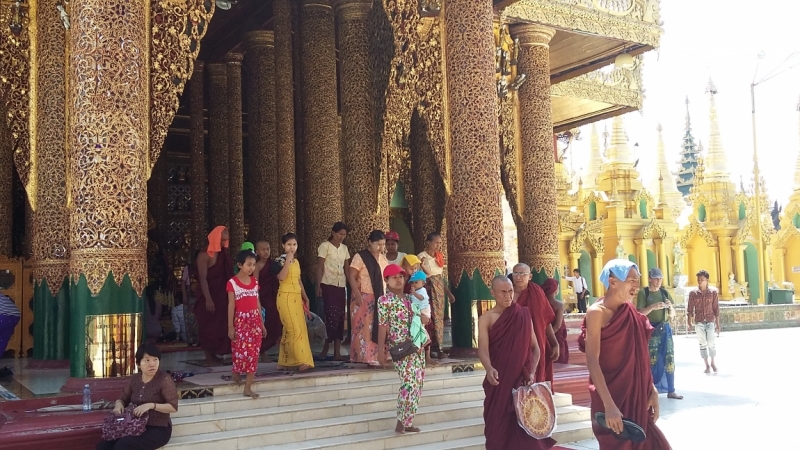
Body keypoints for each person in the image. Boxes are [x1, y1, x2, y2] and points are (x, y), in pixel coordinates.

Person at [579, 259, 670, 449]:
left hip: (636, 395)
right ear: (612, 281)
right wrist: (609, 405)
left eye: (637, 281)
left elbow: (640, 357)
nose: (636, 286)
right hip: (611, 396)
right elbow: (592, 361)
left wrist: (651, 389)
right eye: (631, 281)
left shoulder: (630, 312)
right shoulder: (597, 313)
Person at [479, 276, 554, 450]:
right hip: (499, 382)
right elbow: (482, 348)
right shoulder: (487, 318)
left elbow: (536, 348)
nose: (507, 296)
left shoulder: (523, 314)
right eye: (503, 292)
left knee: (524, 430)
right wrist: (489, 368)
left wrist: (533, 370)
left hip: (521, 380)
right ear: (493, 293)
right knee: (496, 429)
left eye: (510, 291)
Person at [96, 344, 178, 450]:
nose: (152, 364)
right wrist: (118, 405)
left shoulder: (164, 379)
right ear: (138, 364)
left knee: (124, 445)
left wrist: (151, 405)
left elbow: (173, 407)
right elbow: (123, 398)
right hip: (133, 425)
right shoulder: (135, 379)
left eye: (155, 360)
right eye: (147, 360)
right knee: (104, 445)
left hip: (157, 428)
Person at [377, 264, 426, 434]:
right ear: (386, 280)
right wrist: (380, 351)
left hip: (417, 347)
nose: (398, 280)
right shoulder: (384, 300)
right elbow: (382, 326)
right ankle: (401, 420)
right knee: (408, 383)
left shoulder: (409, 298)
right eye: (394, 277)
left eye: (401, 276)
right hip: (400, 348)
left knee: (418, 384)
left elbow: (421, 319)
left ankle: (408, 420)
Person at [636, 268, 682, 399]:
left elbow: (672, 314)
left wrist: (670, 307)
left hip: (664, 328)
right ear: (650, 278)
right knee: (651, 359)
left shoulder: (664, 293)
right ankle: (649, 389)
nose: (658, 281)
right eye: (656, 278)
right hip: (650, 329)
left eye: (660, 279)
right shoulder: (643, 293)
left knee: (669, 357)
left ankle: (671, 389)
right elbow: (639, 314)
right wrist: (652, 307)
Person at [227, 250, 266, 398]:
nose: (251, 268)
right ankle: (235, 371)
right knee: (240, 351)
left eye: (253, 265)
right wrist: (230, 326)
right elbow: (231, 305)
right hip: (241, 322)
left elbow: (257, 303)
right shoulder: (232, 283)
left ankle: (247, 388)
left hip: (254, 321)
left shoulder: (255, 282)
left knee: (253, 354)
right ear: (239, 265)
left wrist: (262, 324)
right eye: (248, 265)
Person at [511, 264, 558, 384]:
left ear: (530, 276)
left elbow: (545, 321)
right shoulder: (507, 293)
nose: (518, 277)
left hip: (534, 342)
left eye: (523, 274)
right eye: (516, 273)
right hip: (512, 343)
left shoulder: (537, 293)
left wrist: (555, 343)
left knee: (533, 377)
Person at [348, 230, 389, 366]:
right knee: (364, 327)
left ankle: (378, 355)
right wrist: (357, 294)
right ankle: (364, 357)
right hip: (363, 297)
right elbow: (351, 276)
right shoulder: (360, 257)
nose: (381, 248)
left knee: (378, 326)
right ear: (369, 243)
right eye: (378, 244)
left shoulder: (383, 259)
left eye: (383, 245)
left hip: (379, 297)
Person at [195, 226, 234, 366]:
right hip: (209, 295)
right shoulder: (204, 255)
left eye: (226, 240)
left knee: (222, 325)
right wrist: (208, 299)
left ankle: (216, 354)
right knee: (208, 327)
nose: (225, 242)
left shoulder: (224, 255)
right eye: (223, 239)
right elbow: (203, 278)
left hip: (223, 296)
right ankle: (209, 357)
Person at [275, 233, 314, 372]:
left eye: (294, 245)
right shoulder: (279, 260)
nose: (292, 247)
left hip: (296, 298)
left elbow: (298, 281)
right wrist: (288, 260)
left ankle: (284, 361)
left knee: (296, 329)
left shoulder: (297, 262)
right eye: (289, 245)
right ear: (283, 246)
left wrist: (306, 297)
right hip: (285, 297)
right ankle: (301, 360)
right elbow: (281, 276)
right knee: (293, 329)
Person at [316, 222, 351, 361]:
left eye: (344, 235)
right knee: (330, 316)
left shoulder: (345, 248)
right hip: (327, 284)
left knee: (340, 317)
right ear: (333, 233)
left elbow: (347, 269)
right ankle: (325, 347)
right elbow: (319, 267)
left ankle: (337, 351)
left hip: (341, 285)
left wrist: (353, 285)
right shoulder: (324, 246)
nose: (341, 237)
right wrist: (318, 285)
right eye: (339, 234)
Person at [417, 232, 456, 359]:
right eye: (436, 242)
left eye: (440, 243)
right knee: (430, 318)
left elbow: (440, 278)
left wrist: (449, 293)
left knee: (439, 318)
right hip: (427, 289)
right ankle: (429, 347)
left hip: (439, 291)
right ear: (428, 242)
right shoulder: (421, 257)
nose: (438, 245)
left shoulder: (440, 257)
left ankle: (439, 347)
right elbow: (421, 276)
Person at [687, 269, 720, 374]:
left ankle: (713, 362)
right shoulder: (693, 294)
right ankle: (706, 365)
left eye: (702, 279)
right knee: (702, 343)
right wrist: (689, 322)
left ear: (707, 280)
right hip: (699, 321)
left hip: (710, 320)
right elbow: (690, 309)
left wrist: (718, 324)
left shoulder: (713, 293)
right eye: (699, 280)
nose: (700, 281)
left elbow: (716, 309)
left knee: (711, 342)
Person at [254, 240, 281, 361]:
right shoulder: (257, 266)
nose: (266, 252)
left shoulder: (274, 264)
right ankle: (262, 352)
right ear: (257, 252)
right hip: (263, 299)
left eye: (268, 249)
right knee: (263, 324)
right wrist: (257, 301)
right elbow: (255, 285)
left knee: (275, 323)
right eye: (263, 249)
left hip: (274, 298)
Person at [408, 270, 434, 365]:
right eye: (413, 282)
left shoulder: (422, 291)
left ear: (423, 283)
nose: (414, 284)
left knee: (421, 326)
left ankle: (426, 339)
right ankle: (423, 340)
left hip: (424, 311)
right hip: (418, 310)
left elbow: (421, 298)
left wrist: (414, 294)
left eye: (416, 282)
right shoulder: (416, 291)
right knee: (419, 326)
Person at [540, 278, 568, 365]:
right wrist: (549, 337)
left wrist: (544, 337)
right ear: (555, 289)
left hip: (543, 335)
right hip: (556, 337)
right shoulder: (559, 304)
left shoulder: (540, 303)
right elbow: (557, 326)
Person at [180, 251, 200, 346]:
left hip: (199, 295)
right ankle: (190, 339)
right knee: (189, 318)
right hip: (189, 294)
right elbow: (183, 282)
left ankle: (199, 339)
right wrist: (184, 294)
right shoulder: (189, 268)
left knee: (199, 318)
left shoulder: (202, 267)